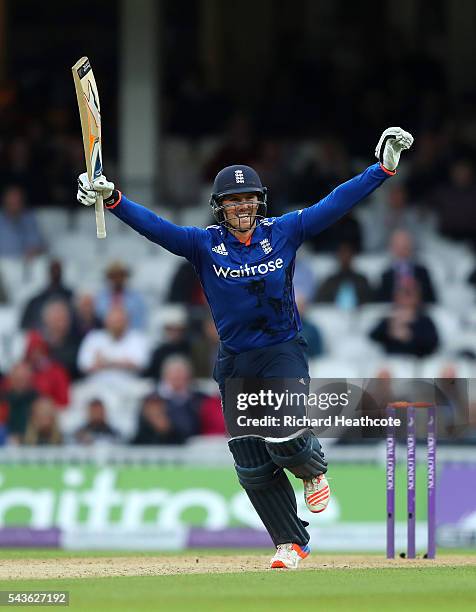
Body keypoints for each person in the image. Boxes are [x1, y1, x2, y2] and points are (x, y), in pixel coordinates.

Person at [77, 126, 414, 569]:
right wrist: (114, 198)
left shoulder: (284, 231)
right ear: (220, 207)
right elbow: (156, 228)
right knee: (252, 461)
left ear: (260, 201)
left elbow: (335, 203)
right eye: (234, 201)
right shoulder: (204, 245)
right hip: (235, 360)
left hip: (282, 350)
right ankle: (290, 544)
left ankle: (312, 468)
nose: (243, 207)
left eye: (249, 199)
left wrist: (382, 169)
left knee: (281, 431)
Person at [77, 305, 149, 387]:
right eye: (113, 321)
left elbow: (142, 364)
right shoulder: (93, 337)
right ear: (106, 321)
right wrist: (122, 363)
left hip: (129, 385)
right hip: (98, 385)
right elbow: (84, 366)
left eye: (120, 321)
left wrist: (105, 362)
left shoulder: (137, 338)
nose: (116, 325)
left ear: (128, 321)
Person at [369, 281, 439, 358]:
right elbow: (373, 336)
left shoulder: (424, 320)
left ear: (417, 297)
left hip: (419, 364)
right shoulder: (390, 318)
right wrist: (391, 330)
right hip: (392, 362)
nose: (406, 299)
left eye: (410, 294)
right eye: (403, 294)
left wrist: (410, 336)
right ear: (396, 297)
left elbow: (433, 343)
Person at [377, 229, 436, 303]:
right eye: (398, 246)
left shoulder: (422, 272)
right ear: (391, 248)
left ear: (411, 247)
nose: (402, 250)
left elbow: (431, 300)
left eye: (405, 246)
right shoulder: (386, 275)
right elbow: (381, 302)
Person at [21, 259, 73, 330]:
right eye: (53, 270)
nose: (56, 273)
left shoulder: (71, 298)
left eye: (58, 270)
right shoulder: (36, 301)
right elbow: (25, 325)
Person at [315, 242, 373, 306]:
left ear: (352, 255)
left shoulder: (361, 280)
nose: (345, 257)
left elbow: (370, 300)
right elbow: (321, 301)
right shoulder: (330, 281)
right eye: (342, 253)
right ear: (338, 256)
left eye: (348, 253)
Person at [95, 261, 147, 330]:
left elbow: (140, 321)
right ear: (109, 278)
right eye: (114, 276)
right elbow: (99, 319)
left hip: (130, 335)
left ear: (125, 277)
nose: (117, 279)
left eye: (120, 275)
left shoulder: (136, 298)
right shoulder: (101, 297)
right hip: (106, 335)